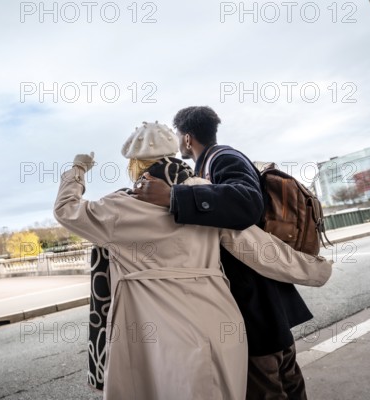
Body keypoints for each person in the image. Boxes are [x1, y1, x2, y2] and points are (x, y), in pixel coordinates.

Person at [54, 122, 332, 399]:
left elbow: (66, 210)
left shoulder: (117, 208)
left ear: (135, 164)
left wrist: (77, 170)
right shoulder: (203, 194)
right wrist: (317, 271)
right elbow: (259, 249)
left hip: (157, 334)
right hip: (220, 322)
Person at [133, 107, 316, 399]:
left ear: (188, 139)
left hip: (255, 298)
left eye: (178, 136)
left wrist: (172, 196)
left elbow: (247, 203)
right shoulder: (209, 164)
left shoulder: (223, 157)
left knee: (267, 384)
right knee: (286, 378)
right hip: (261, 296)